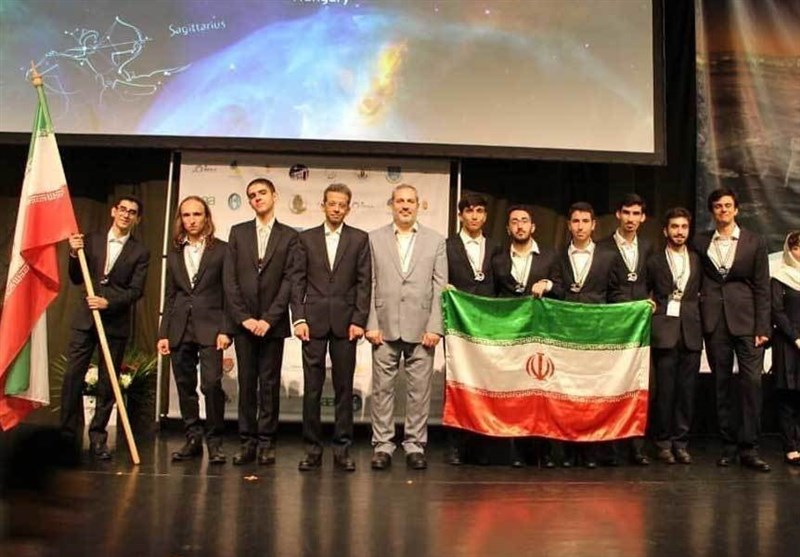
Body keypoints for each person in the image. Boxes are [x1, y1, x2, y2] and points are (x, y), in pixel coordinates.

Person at [60, 196, 150, 460]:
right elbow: (76, 277)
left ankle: (98, 438)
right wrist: (74, 253)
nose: (126, 214)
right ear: (113, 211)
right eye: (122, 209)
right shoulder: (91, 240)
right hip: (85, 320)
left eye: (132, 212)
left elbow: (136, 291)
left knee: (107, 382)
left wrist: (108, 302)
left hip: (114, 322)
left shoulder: (140, 252)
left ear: (137, 219)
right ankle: (67, 436)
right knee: (72, 377)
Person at [366, 184, 448, 471]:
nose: (405, 206)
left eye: (410, 201)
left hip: (422, 328)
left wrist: (435, 327)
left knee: (419, 391)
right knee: (382, 390)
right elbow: (369, 283)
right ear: (391, 204)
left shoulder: (436, 241)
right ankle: (382, 445)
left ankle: (415, 445)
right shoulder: (373, 239)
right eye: (399, 201)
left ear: (418, 205)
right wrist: (371, 324)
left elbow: (440, 287)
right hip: (383, 327)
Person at [291, 183, 371, 472]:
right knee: (312, 389)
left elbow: (364, 283)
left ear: (348, 208)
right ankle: (312, 450)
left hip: (346, 324)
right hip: (312, 323)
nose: (336, 208)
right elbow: (297, 281)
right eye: (332, 203)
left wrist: (359, 320)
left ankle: (342, 449)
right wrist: (299, 318)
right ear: (323, 205)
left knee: (343, 388)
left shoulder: (359, 239)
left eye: (341, 204)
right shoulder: (306, 238)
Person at [694, 187, 771, 472]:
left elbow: (762, 286)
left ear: (736, 209)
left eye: (728, 205)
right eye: (718, 206)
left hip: (748, 322)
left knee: (751, 384)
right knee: (722, 384)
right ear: (712, 211)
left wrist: (763, 326)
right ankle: (728, 445)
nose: (723, 210)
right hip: (715, 321)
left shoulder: (754, 241)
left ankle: (749, 447)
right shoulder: (700, 242)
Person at [224, 178, 299, 466]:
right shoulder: (238, 232)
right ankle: (247, 442)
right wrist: (244, 318)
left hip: (273, 325)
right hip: (243, 324)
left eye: (262, 193)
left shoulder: (289, 235)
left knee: (268, 384)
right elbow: (229, 280)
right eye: (252, 195)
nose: (257, 198)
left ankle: (267, 442)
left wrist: (268, 319)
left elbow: (290, 281)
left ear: (274, 196)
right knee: (246, 384)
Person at [157, 196, 231, 465]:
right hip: (179, 327)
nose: (191, 220)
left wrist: (226, 329)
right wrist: (163, 333)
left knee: (211, 385)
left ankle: (215, 442)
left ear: (206, 217)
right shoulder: (175, 251)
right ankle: (193, 439)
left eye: (197, 214)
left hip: (211, 327)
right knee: (184, 386)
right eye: (186, 215)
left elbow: (230, 293)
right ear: (180, 219)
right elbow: (170, 295)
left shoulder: (222, 250)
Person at [551, 201, 618, 468]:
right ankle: (569, 451)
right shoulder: (557, 255)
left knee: (593, 392)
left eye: (585, 221)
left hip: (596, 333)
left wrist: (633, 310)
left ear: (593, 225)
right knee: (568, 391)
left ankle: (590, 450)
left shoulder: (608, 256)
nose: (580, 226)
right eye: (576, 221)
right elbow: (557, 290)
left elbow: (615, 293)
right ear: (569, 225)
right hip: (566, 332)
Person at [492, 204, 557, 467]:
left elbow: (563, 288)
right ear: (508, 228)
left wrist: (548, 284)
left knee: (542, 391)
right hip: (512, 335)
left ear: (533, 226)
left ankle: (544, 451)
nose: (520, 225)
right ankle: (517, 451)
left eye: (524, 220)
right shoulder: (498, 260)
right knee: (516, 391)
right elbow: (491, 297)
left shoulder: (550, 256)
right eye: (514, 221)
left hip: (543, 335)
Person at [444, 193, 502, 465]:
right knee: (458, 383)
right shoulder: (447, 246)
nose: (474, 216)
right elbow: (439, 279)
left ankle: (484, 446)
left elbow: (502, 285)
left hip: (489, 327)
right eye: (469, 211)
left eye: (479, 211)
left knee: (486, 384)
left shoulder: (496, 247)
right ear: (460, 216)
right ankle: (456, 445)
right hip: (459, 326)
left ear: (486, 216)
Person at [600, 193, 654, 466]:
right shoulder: (602, 247)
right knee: (611, 385)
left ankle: (636, 446)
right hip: (612, 325)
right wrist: (626, 306)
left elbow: (653, 282)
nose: (631, 219)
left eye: (636, 214)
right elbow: (603, 287)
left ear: (643, 218)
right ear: (618, 215)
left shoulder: (648, 247)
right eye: (627, 213)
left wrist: (649, 303)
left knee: (638, 383)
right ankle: (609, 447)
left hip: (639, 328)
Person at [646, 208, 702, 464]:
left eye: (684, 227)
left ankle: (681, 442)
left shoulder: (697, 259)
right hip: (664, 331)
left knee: (686, 392)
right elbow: (645, 290)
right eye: (675, 227)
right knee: (665, 392)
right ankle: (663, 443)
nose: (679, 232)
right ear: (665, 231)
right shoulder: (654, 261)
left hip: (691, 330)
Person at [770, 230, 800, 466]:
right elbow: (777, 311)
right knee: (788, 395)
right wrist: (796, 337)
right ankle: (791, 446)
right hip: (788, 343)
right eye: (796, 247)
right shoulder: (779, 277)